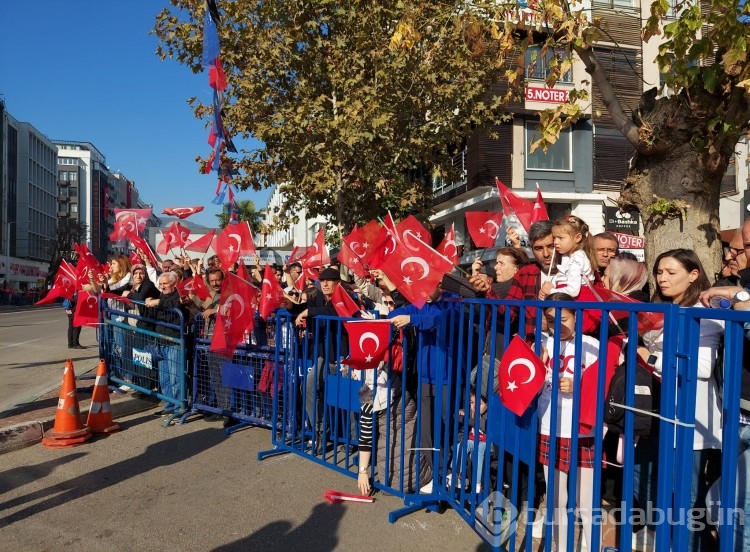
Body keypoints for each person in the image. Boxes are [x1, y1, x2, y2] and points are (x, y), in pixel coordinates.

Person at [636, 249, 723, 552]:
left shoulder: (704, 312)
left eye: (671, 272)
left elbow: (700, 368)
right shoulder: (665, 309)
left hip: (692, 421)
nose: (662, 278)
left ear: (693, 275)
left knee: (685, 496)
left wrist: (653, 356)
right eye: (659, 272)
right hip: (663, 415)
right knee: (657, 488)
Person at [538, 292, 601, 552]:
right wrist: (537, 366)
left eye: (564, 319)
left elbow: (603, 386)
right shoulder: (541, 344)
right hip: (549, 425)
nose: (558, 326)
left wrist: (579, 384)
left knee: (586, 498)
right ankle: (561, 547)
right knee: (556, 496)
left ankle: (589, 544)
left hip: (581, 428)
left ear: (577, 317)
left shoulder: (591, 345)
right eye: (552, 321)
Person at [145, 271, 189, 417]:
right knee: (164, 377)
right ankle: (169, 404)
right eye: (161, 284)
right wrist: (149, 301)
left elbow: (177, 303)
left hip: (174, 341)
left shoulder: (179, 295)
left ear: (174, 283)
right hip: (160, 340)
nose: (162, 287)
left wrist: (157, 302)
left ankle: (179, 408)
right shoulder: (162, 295)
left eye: (165, 284)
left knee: (175, 377)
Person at [540, 215, 596, 300]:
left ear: (577, 237)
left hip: (580, 303)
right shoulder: (567, 256)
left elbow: (573, 291)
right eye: (554, 238)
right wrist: (550, 288)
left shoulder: (578, 258)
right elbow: (562, 279)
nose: (555, 242)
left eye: (560, 238)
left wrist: (551, 291)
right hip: (568, 300)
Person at [446, 390, 488, 494]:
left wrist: (475, 419)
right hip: (473, 441)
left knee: (479, 449)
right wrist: (462, 412)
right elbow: (460, 416)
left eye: (479, 404)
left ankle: (477, 483)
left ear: (487, 405)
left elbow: (486, 426)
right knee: (462, 445)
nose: (475, 406)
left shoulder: (487, 415)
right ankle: (456, 475)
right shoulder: (471, 412)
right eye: (472, 402)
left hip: (486, 443)